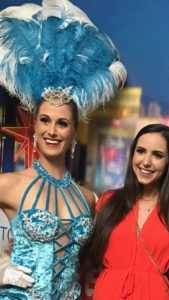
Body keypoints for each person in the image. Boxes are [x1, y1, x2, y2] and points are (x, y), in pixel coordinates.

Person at [0, 0, 126, 298]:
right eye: (45, 120)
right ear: (34, 126)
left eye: (62, 123)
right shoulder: (9, 184)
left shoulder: (87, 198)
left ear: (74, 131)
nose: (52, 131)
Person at [82, 124, 169, 300]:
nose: (146, 161)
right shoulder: (109, 201)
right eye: (141, 151)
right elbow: (84, 259)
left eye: (157, 155)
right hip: (108, 294)